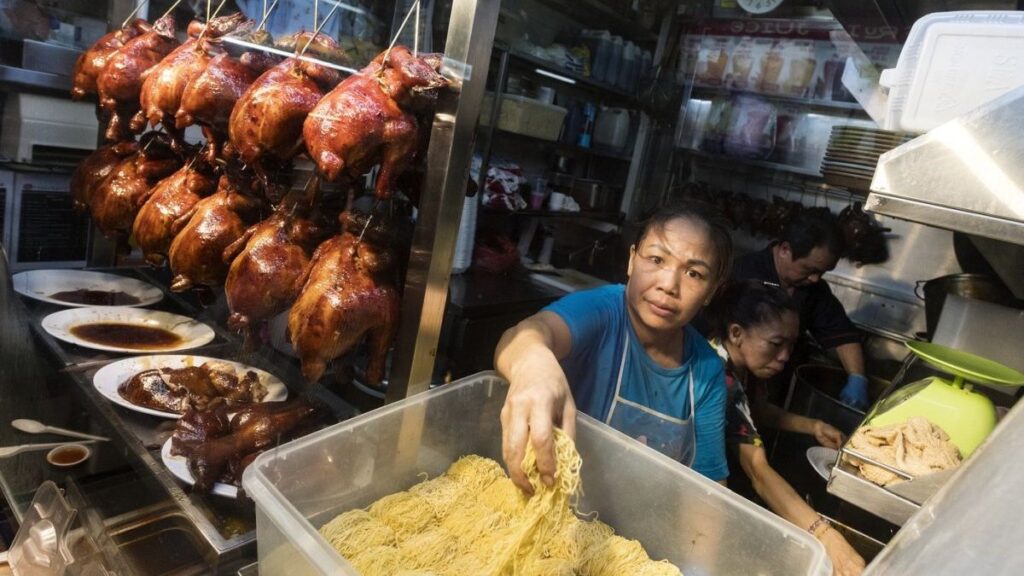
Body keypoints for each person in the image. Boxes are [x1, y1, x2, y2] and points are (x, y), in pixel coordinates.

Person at [495, 203, 733, 492]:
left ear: (711, 291)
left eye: (694, 274)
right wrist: (534, 364)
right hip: (554, 497)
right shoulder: (603, 311)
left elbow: (708, 492)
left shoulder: (707, 370)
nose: (669, 285)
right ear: (632, 261)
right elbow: (526, 334)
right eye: (657, 259)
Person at [708, 280, 864, 576]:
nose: (784, 356)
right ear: (736, 333)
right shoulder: (719, 375)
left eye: (791, 345)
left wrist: (813, 426)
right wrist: (825, 537)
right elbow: (759, 472)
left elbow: (756, 411)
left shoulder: (745, 365)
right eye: (776, 344)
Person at [732, 210, 870, 409]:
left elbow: (841, 333)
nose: (815, 278)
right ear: (785, 249)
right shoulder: (742, 275)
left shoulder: (814, 289)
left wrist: (857, 378)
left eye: (822, 272)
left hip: (773, 390)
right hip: (732, 382)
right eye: (810, 269)